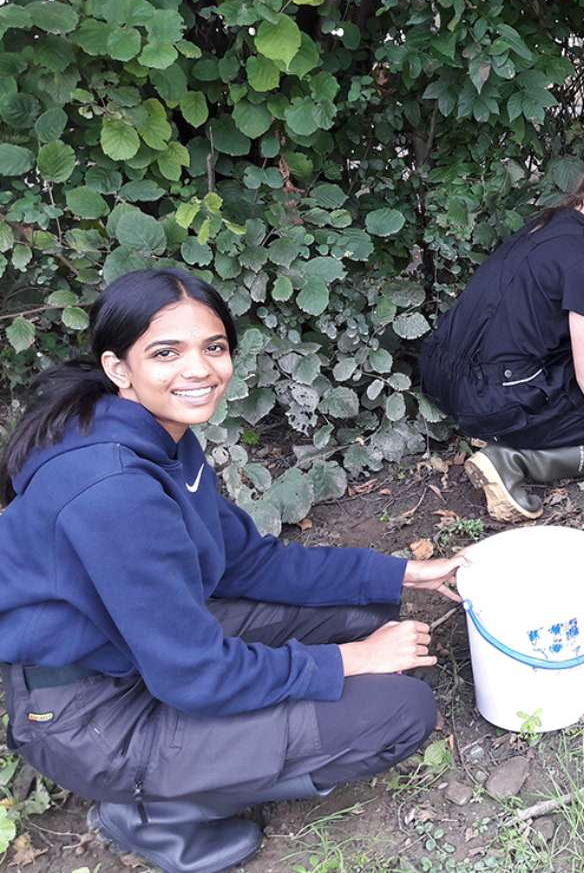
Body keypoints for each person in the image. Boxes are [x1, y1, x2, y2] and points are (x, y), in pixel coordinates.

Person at [0, 268, 467, 873]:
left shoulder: (160, 434)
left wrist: (401, 573)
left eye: (213, 347)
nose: (199, 370)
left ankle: (199, 765)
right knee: (399, 711)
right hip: (92, 715)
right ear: (120, 369)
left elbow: (248, 563)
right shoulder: (112, 489)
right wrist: (352, 661)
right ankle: (153, 812)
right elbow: (194, 674)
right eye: (166, 352)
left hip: (139, 652)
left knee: (363, 613)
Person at [420, 133, 584, 523]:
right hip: (491, 398)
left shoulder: (551, 222)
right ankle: (514, 462)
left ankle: (507, 432)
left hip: (440, 370)